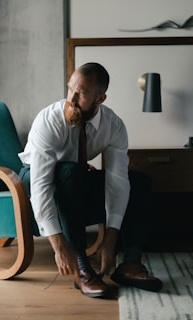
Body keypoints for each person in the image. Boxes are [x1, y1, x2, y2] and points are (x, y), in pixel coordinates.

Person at [18, 62, 163, 298]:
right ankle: (82, 268)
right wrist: (58, 246)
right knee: (69, 171)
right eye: (70, 90)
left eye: (81, 94)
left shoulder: (113, 126)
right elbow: (41, 184)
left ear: (100, 98)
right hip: (31, 178)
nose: (71, 99)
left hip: (74, 180)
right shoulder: (50, 120)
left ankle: (130, 265)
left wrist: (110, 240)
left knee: (138, 181)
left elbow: (117, 181)